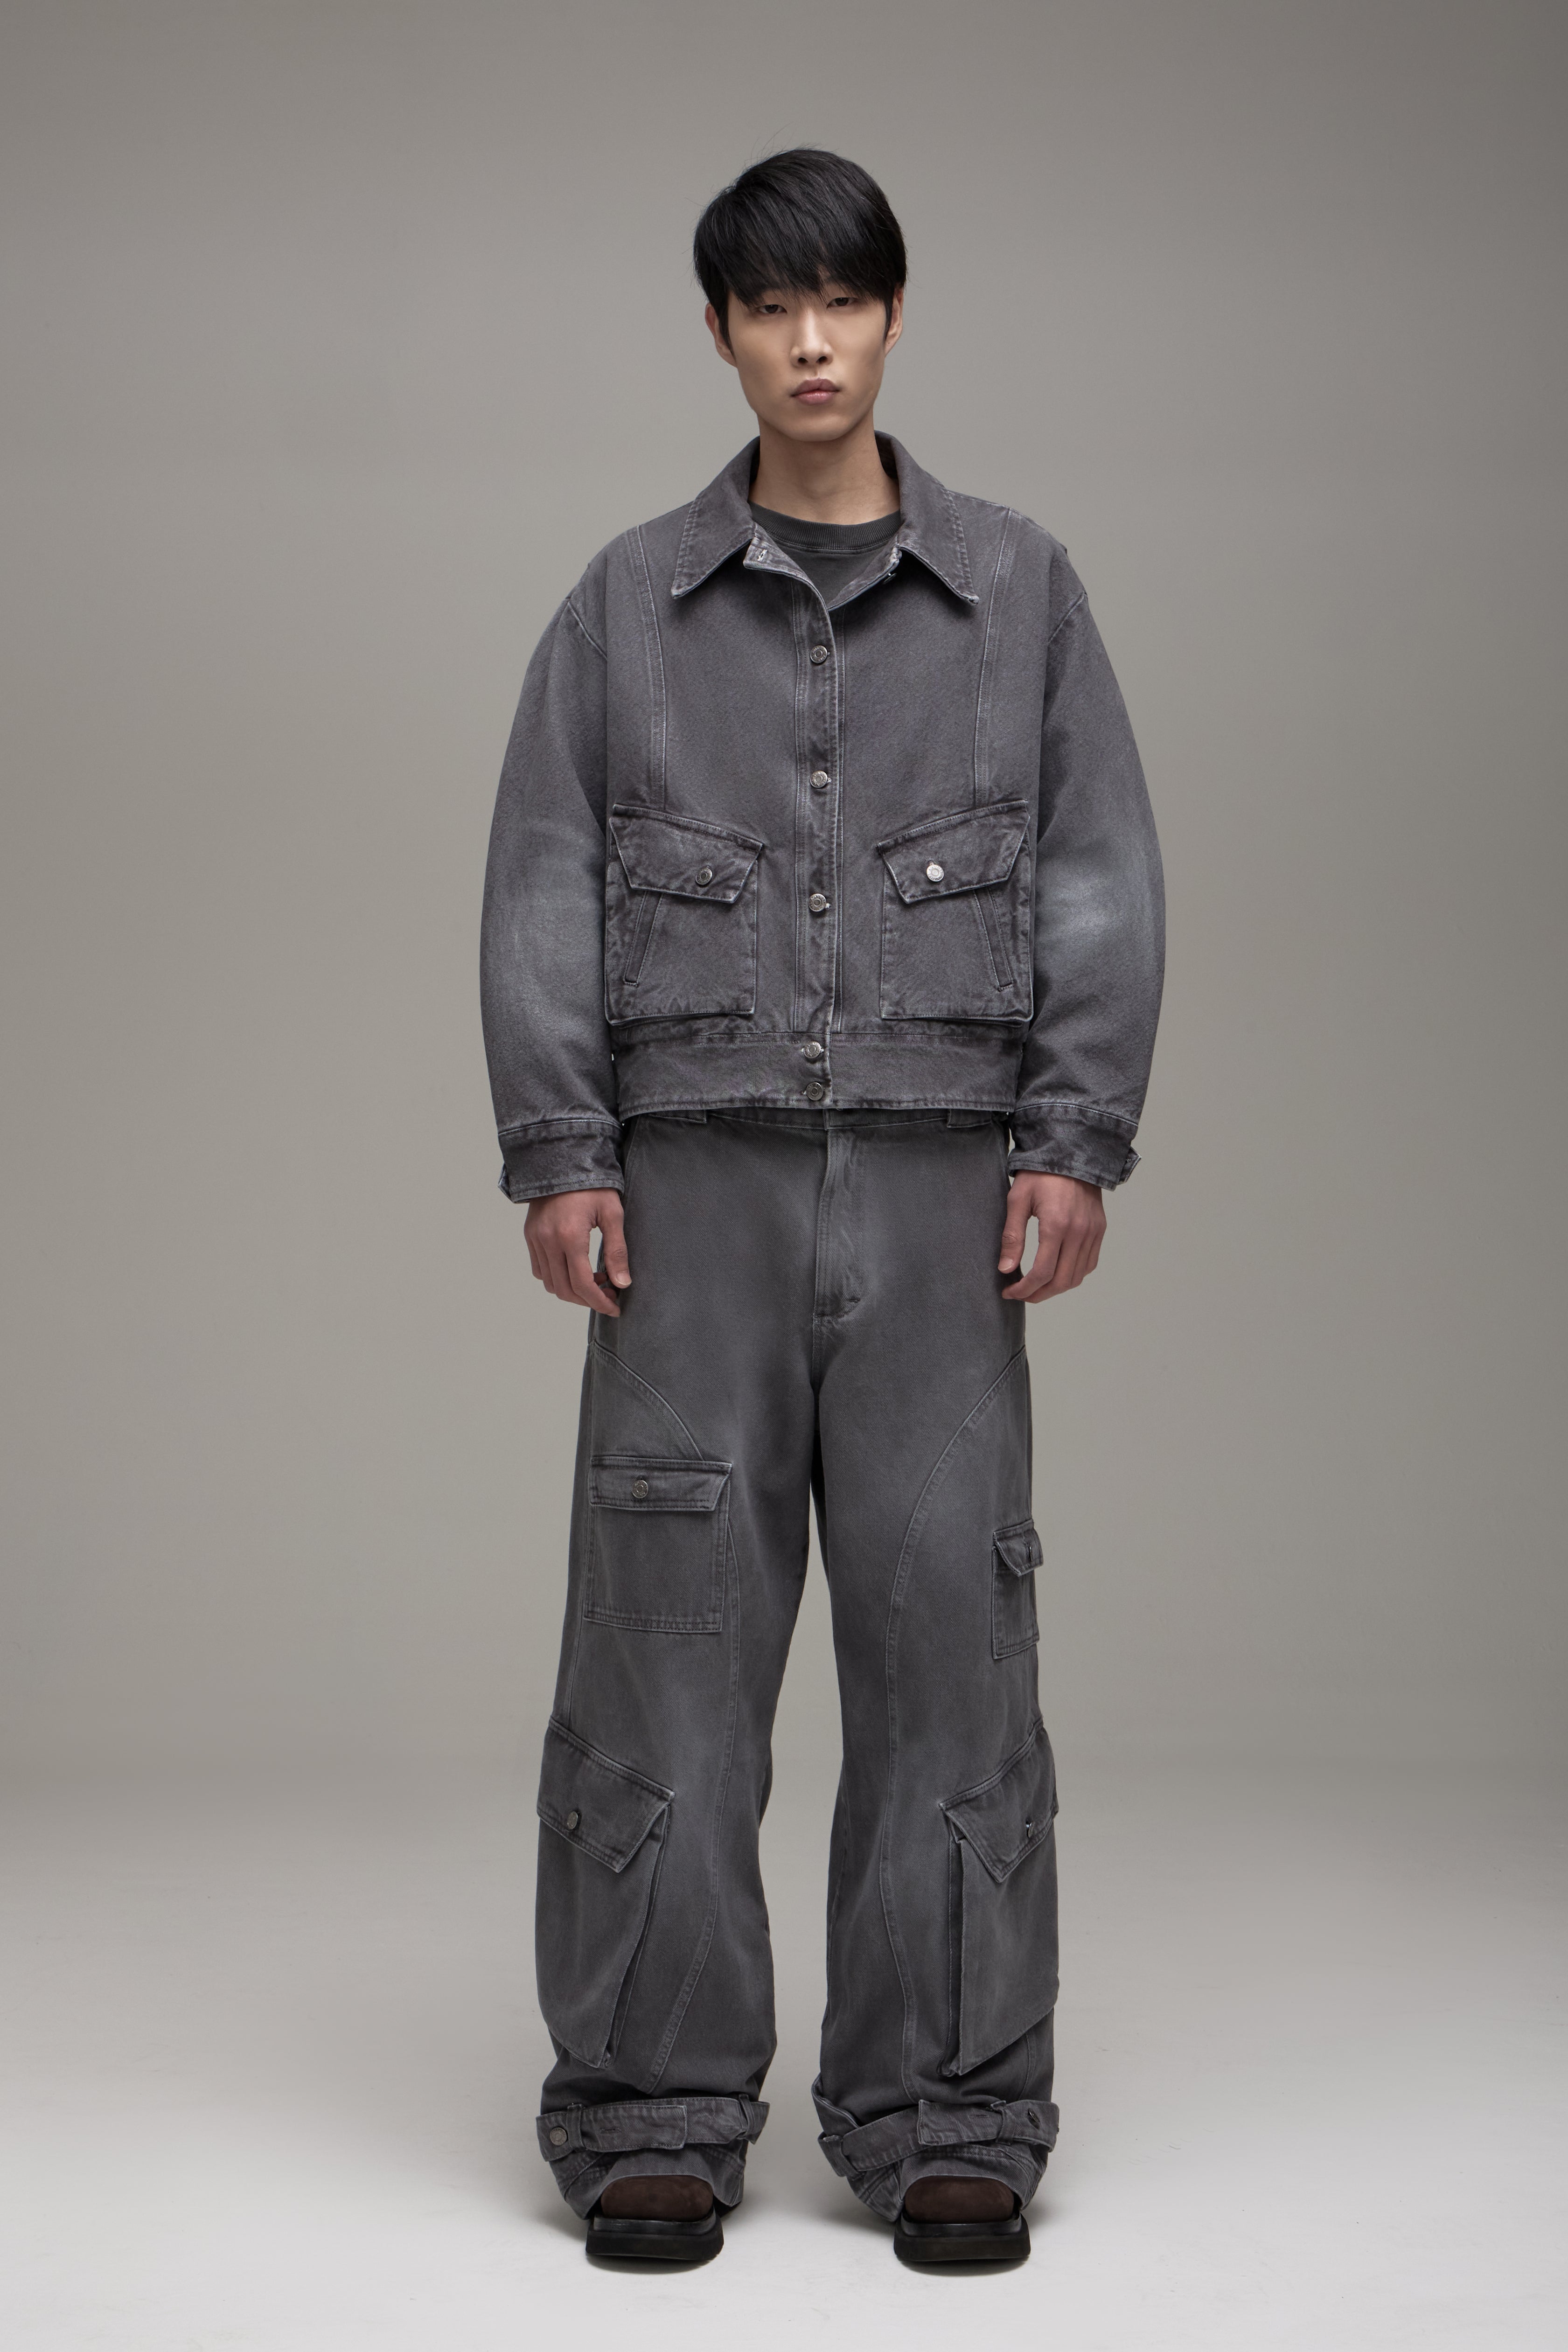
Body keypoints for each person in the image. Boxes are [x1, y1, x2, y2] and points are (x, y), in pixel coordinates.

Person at [480, 147, 1163, 2269]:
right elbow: (540, 877)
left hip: (948, 1202)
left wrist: (1072, 1134)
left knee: (951, 1639)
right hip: (691, 1209)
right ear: (715, 333)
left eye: (842, 301)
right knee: (666, 1648)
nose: (808, 342)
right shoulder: (624, 605)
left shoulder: (1021, 592)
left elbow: (1097, 872)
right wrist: (563, 1149)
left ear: (890, 317)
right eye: (768, 308)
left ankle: (948, 2102)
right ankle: (654, 2106)